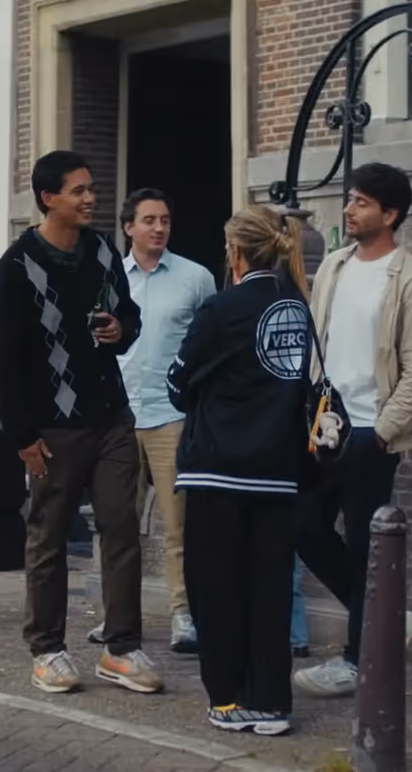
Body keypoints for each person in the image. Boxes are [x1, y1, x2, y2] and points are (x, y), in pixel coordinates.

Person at [0, 150, 161, 696]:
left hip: (111, 417)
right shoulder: (17, 266)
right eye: (78, 190)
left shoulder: (104, 249)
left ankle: (122, 648)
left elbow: (128, 315)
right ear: (48, 198)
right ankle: (48, 650)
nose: (90, 197)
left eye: (91, 187)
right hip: (51, 428)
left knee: (122, 529)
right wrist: (22, 436)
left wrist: (119, 328)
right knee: (49, 536)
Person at [166, 206, 316, 736]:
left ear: (234, 252)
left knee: (216, 589)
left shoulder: (221, 308)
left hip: (220, 472)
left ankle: (228, 699)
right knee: (270, 590)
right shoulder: (297, 307)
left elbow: (177, 384)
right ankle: (272, 701)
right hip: (279, 471)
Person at [294, 162, 412, 697]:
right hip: (324, 427)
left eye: (360, 202)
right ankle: (381, 623)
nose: (349, 210)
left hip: (369, 436)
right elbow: (318, 343)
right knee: (303, 526)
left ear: (390, 213)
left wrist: (379, 434)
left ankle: (358, 660)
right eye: (348, 199)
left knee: (362, 547)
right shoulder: (333, 265)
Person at [87, 188, 215, 654]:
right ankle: (116, 617)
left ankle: (184, 615)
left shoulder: (196, 279)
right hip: (117, 419)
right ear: (128, 227)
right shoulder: (107, 278)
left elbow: (210, 345)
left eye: (164, 220)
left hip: (171, 417)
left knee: (179, 525)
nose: (158, 228)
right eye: (149, 220)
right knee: (115, 523)